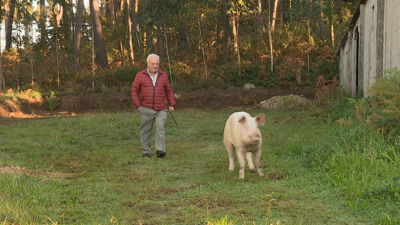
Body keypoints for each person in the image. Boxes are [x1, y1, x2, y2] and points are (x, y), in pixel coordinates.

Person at [131, 54, 176, 158]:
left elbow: (169, 90)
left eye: (157, 64)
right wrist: (138, 106)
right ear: (147, 64)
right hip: (146, 108)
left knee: (160, 127)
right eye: (153, 64)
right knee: (145, 130)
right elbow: (134, 91)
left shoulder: (163, 75)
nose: (155, 66)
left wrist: (172, 104)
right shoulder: (140, 75)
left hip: (161, 108)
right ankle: (146, 151)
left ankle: (160, 150)